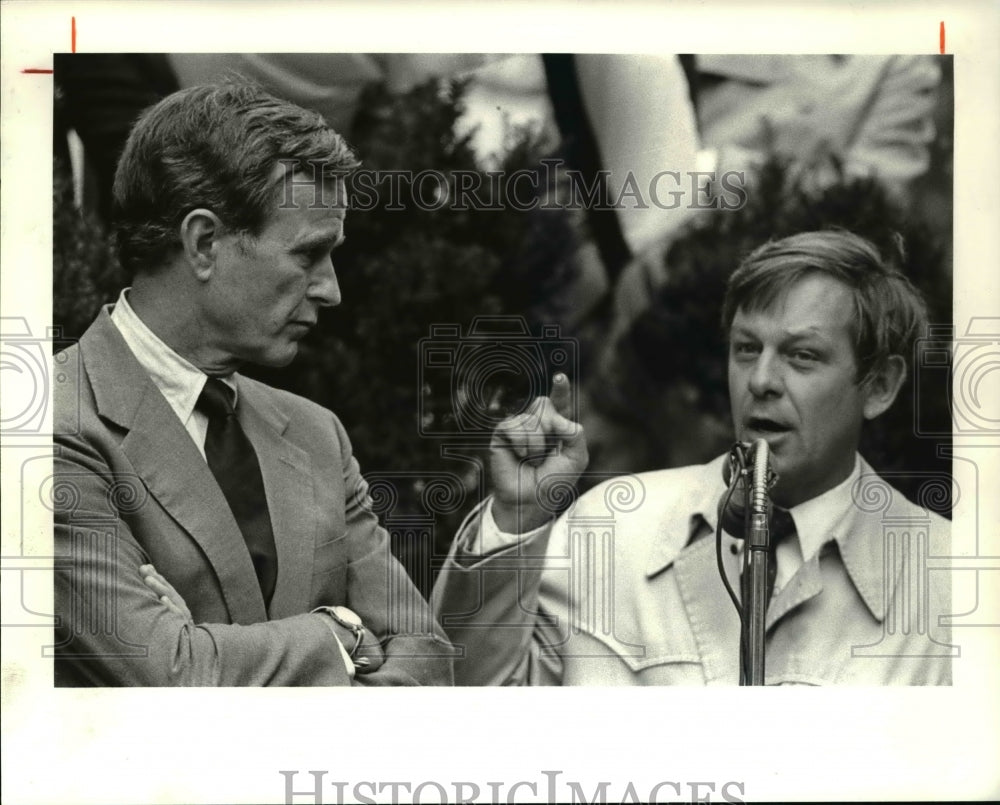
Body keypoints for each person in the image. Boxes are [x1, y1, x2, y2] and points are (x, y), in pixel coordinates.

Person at [53, 81, 453, 686]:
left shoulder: (318, 433)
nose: (331, 288)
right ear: (204, 243)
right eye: (308, 254)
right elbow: (175, 675)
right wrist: (341, 632)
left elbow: (429, 659)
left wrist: (210, 650)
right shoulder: (49, 426)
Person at [432, 229, 952, 685]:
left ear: (880, 385)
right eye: (746, 348)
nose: (762, 381)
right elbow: (475, 718)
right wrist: (515, 521)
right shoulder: (612, 524)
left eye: (803, 356)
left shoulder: (950, 577)